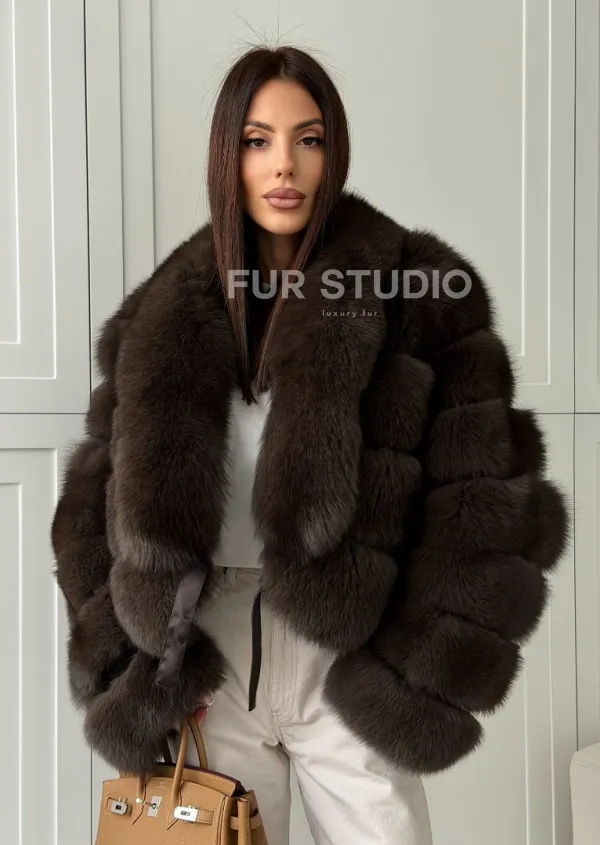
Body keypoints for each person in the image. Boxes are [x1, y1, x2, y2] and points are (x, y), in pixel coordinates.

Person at [51, 45, 569, 845]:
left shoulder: (416, 292)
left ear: (336, 151)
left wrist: (411, 669)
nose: (284, 165)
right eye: (257, 140)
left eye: (310, 138)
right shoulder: (162, 314)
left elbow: (485, 497)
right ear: (227, 156)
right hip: (210, 657)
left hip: (347, 652)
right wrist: (141, 663)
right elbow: (94, 499)